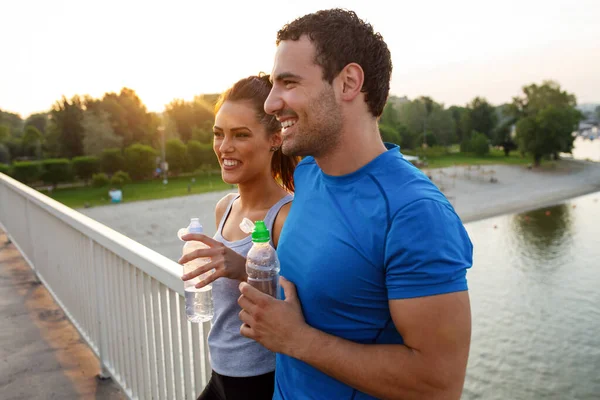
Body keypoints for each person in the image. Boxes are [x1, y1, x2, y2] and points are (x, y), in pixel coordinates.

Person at [236, 9, 473, 400]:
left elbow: (439, 384)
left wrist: (297, 340)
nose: (271, 103)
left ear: (348, 83)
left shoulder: (416, 212)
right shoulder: (309, 174)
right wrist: (238, 266)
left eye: (288, 83)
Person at [178, 74, 299, 400]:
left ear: (275, 138)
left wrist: (243, 267)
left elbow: (302, 307)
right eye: (218, 134)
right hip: (220, 373)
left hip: (259, 380)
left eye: (240, 135)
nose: (224, 147)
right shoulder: (225, 207)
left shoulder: (285, 217)